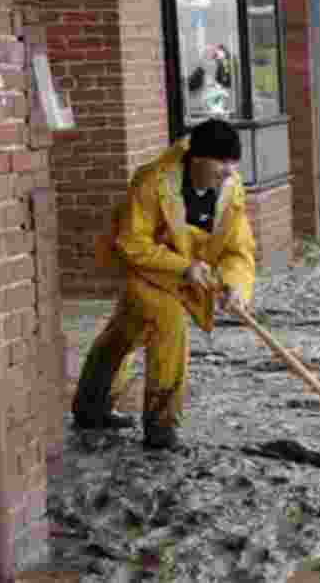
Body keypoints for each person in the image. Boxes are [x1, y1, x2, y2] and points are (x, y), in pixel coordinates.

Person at [74, 118, 256, 450]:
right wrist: (184, 266)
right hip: (146, 271)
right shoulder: (152, 182)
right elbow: (131, 243)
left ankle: (90, 406)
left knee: (125, 332)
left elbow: (238, 249)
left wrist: (234, 284)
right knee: (169, 326)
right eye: (221, 166)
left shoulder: (231, 189)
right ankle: (161, 427)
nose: (229, 174)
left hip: (186, 275)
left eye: (233, 166)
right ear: (197, 160)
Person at [187, 44, 233, 116]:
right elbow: (191, 85)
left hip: (218, 112)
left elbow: (226, 81)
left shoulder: (225, 75)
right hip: (203, 112)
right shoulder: (200, 73)